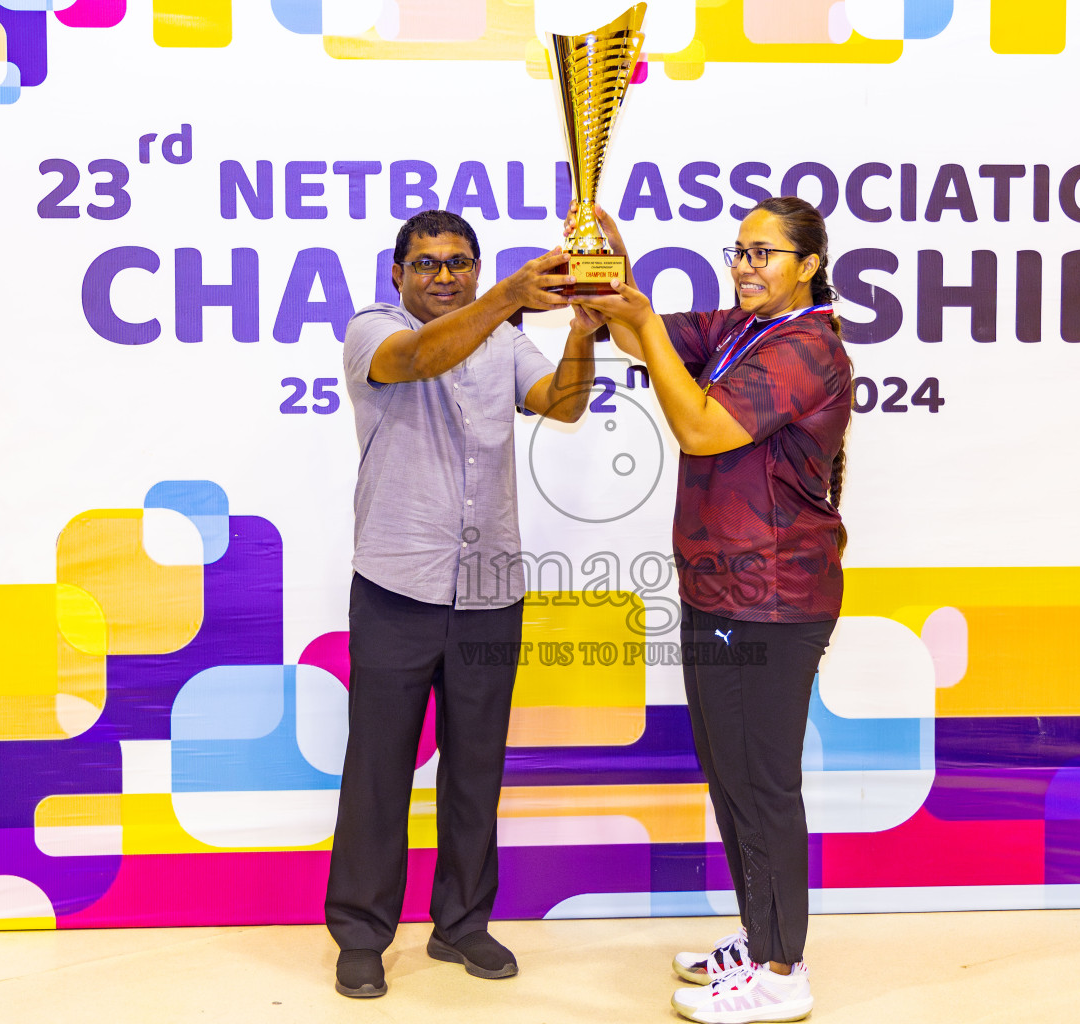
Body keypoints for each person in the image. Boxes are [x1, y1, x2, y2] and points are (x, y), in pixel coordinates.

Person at [574, 196, 851, 1024]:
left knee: (764, 785)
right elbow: (637, 333)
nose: (744, 264)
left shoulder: (806, 349)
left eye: (764, 253)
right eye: (738, 250)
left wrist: (638, 317)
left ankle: (782, 973)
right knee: (729, 776)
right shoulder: (740, 328)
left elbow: (698, 427)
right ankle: (757, 931)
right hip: (718, 589)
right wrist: (610, 264)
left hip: (772, 599)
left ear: (808, 265)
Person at [327, 209, 599, 998]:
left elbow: (564, 402)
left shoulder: (503, 340)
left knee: (476, 768)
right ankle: (360, 933)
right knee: (378, 770)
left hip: (489, 593)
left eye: (459, 264)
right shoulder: (372, 331)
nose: (443, 277)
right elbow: (418, 359)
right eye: (426, 264)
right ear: (397, 275)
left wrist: (582, 330)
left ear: (474, 270)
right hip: (395, 588)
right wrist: (511, 295)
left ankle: (462, 925)